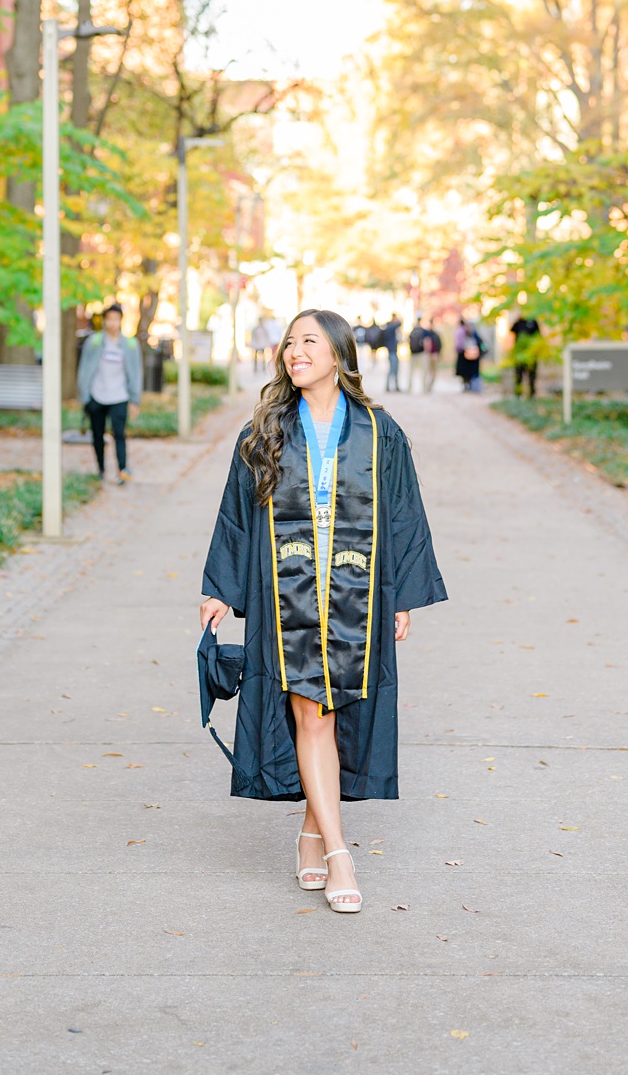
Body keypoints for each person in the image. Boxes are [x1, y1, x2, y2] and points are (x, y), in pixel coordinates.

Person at [197, 308, 447, 915]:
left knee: (334, 716)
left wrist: (404, 595)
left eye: (309, 341)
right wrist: (220, 589)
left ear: (339, 353)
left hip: (358, 599)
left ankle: (311, 832)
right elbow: (236, 511)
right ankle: (339, 851)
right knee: (312, 714)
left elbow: (405, 513)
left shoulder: (380, 432)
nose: (294, 351)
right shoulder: (264, 431)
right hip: (287, 597)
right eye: (289, 343)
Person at [77, 304, 144, 484]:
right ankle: (101, 469)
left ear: (120, 320)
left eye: (116, 319)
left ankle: (122, 470)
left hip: (120, 396)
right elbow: (84, 369)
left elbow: (136, 373)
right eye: (109, 319)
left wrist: (134, 400)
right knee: (97, 435)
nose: (113, 323)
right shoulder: (94, 342)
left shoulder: (130, 345)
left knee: (119, 433)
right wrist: (85, 396)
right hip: (96, 396)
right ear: (105, 321)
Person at [509, 305, 543, 398]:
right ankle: (518, 394)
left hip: (531, 353)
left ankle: (532, 395)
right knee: (518, 375)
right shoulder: (519, 322)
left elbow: (539, 336)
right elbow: (511, 330)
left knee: (531, 376)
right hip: (519, 353)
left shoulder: (533, 322)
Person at [453, 319, 484, 394]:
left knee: (470, 372)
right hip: (465, 356)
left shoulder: (472, 334)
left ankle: (470, 385)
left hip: (472, 357)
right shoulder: (464, 333)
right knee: (466, 372)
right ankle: (467, 385)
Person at [381, 312, 404, 393]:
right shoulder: (390, 327)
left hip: (394, 351)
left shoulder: (389, 326)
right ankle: (388, 386)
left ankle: (395, 386)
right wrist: (400, 318)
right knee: (392, 369)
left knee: (396, 369)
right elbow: (399, 323)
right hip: (391, 351)